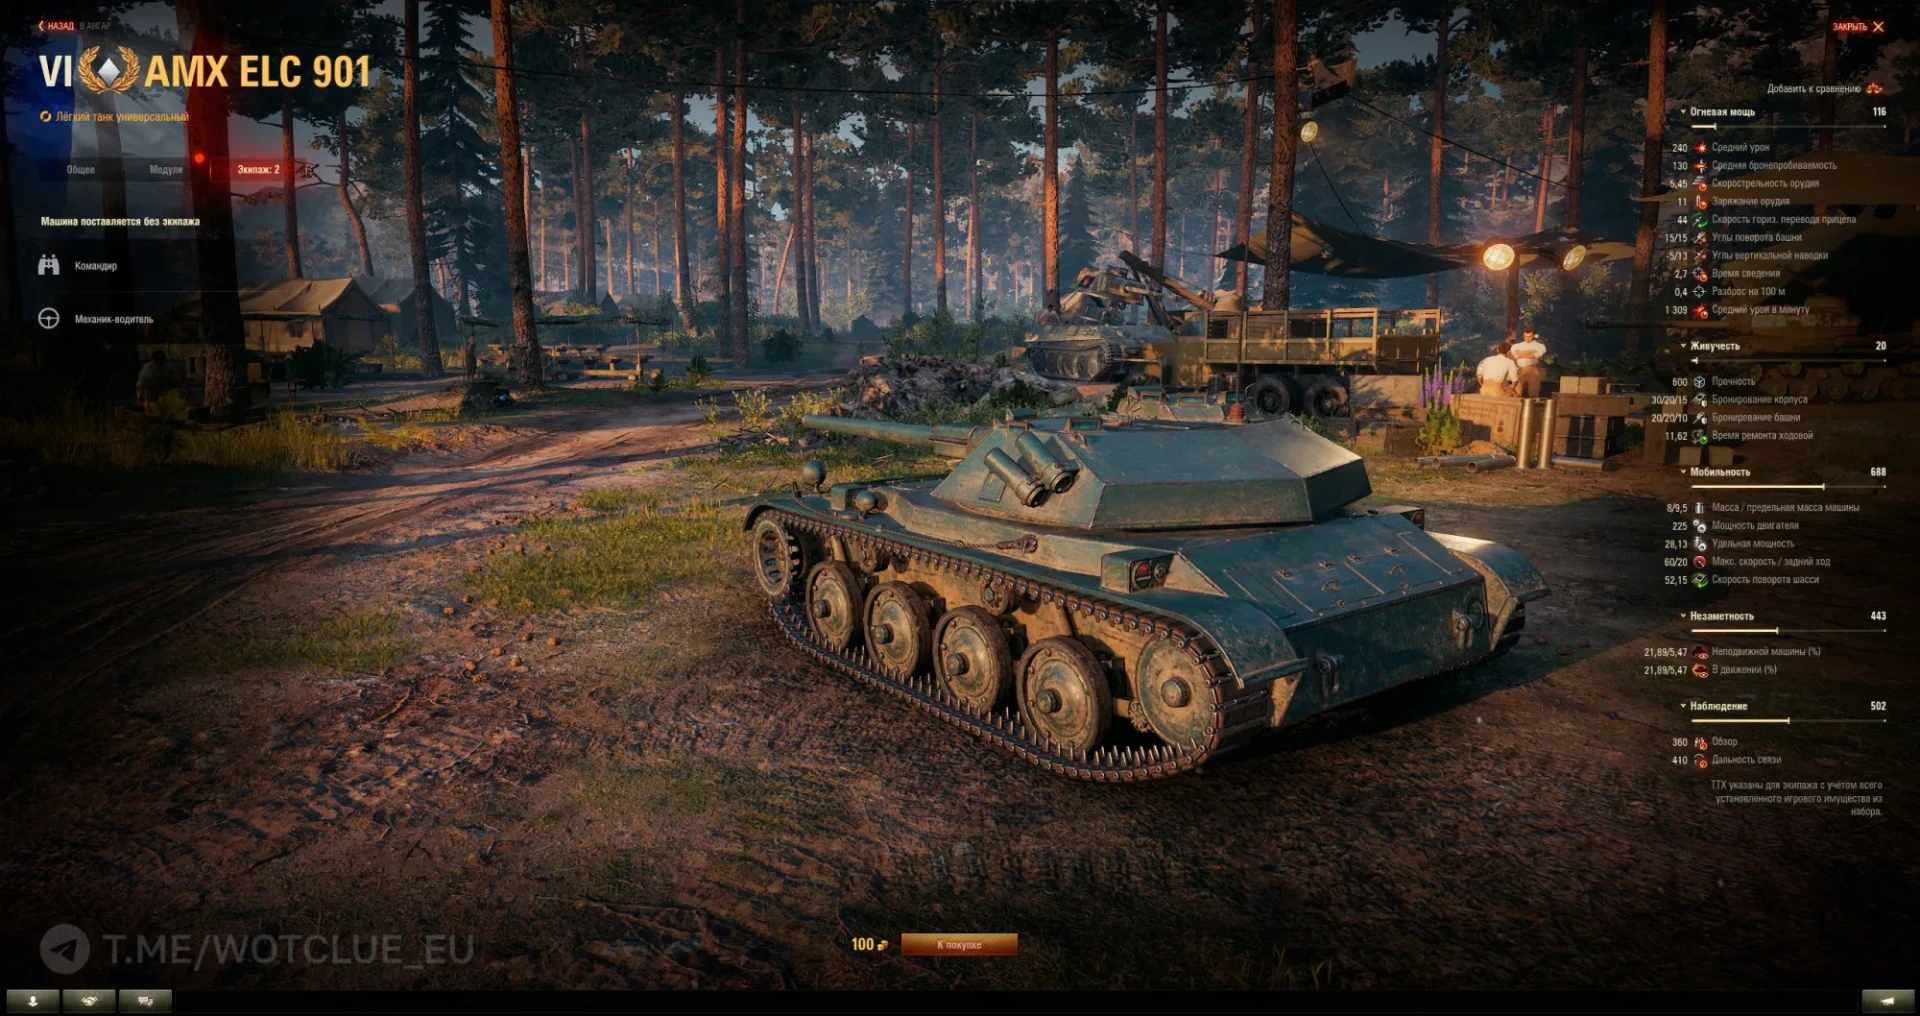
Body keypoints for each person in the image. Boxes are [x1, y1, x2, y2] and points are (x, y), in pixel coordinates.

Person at [1511, 327, 1548, 399]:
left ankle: (1533, 404)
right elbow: (1516, 356)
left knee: (1534, 390)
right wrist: (1531, 351)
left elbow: (1536, 356)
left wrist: (1521, 354)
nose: (1527, 338)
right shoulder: (1517, 345)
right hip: (1520, 369)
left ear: (1533, 336)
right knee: (1517, 390)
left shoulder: (1539, 346)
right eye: (1525, 336)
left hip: (1532, 369)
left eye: (1529, 336)